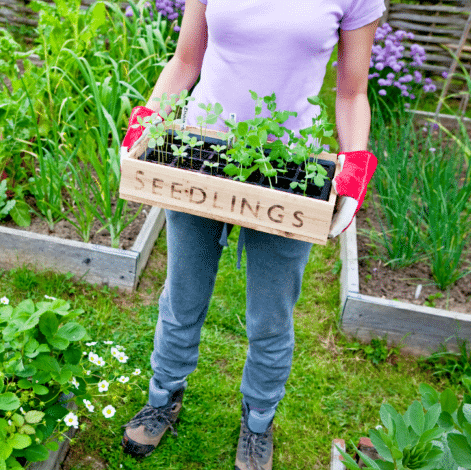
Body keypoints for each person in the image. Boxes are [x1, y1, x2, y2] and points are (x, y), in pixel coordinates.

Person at [118, 1, 384, 468]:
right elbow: (186, 61)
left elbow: (351, 93)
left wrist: (354, 162)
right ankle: (163, 398)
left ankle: (258, 420)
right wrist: (147, 120)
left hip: (291, 168)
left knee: (271, 316)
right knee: (182, 297)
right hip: (200, 152)